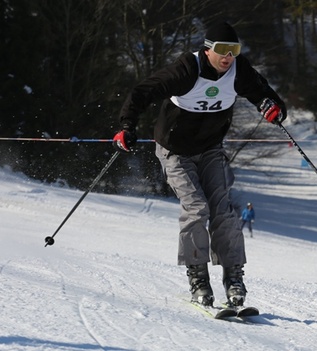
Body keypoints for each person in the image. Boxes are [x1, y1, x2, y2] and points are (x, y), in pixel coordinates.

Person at [112, 22, 287, 308]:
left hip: (210, 150)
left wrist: (274, 109)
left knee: (223, 210)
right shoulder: (187, 70)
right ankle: (198, 277)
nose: (228, 56)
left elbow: (264, 95)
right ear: (208, 50)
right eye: (222, 50)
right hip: (175, 152)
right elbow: (142, 92)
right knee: (196, 208)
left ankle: (233, 277)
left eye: (234, 50)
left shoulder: (237, 71)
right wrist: (127, 126)